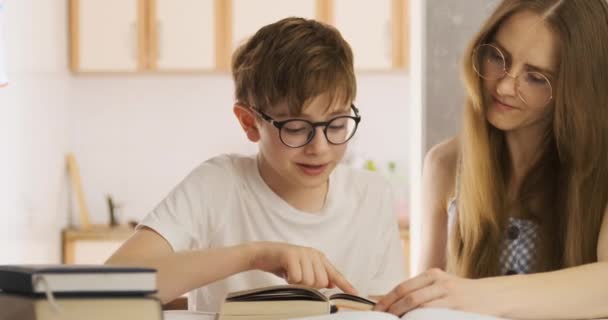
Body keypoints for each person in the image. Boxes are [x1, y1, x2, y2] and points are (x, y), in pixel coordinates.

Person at [106, 17, 405, 312]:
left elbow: (385, 310)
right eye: (296, 128)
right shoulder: (217, 184)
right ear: (250, 122)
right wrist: (255, 255)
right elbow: (111, 287)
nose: (320, 147)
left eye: (337, 124)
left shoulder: (372, 194)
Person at [374, 0, 608, 318]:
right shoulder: (444, 165)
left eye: (536, 78)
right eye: (498, 57)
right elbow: (427, 309)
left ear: (576, 92)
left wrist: (469, 295)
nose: (504, 86)